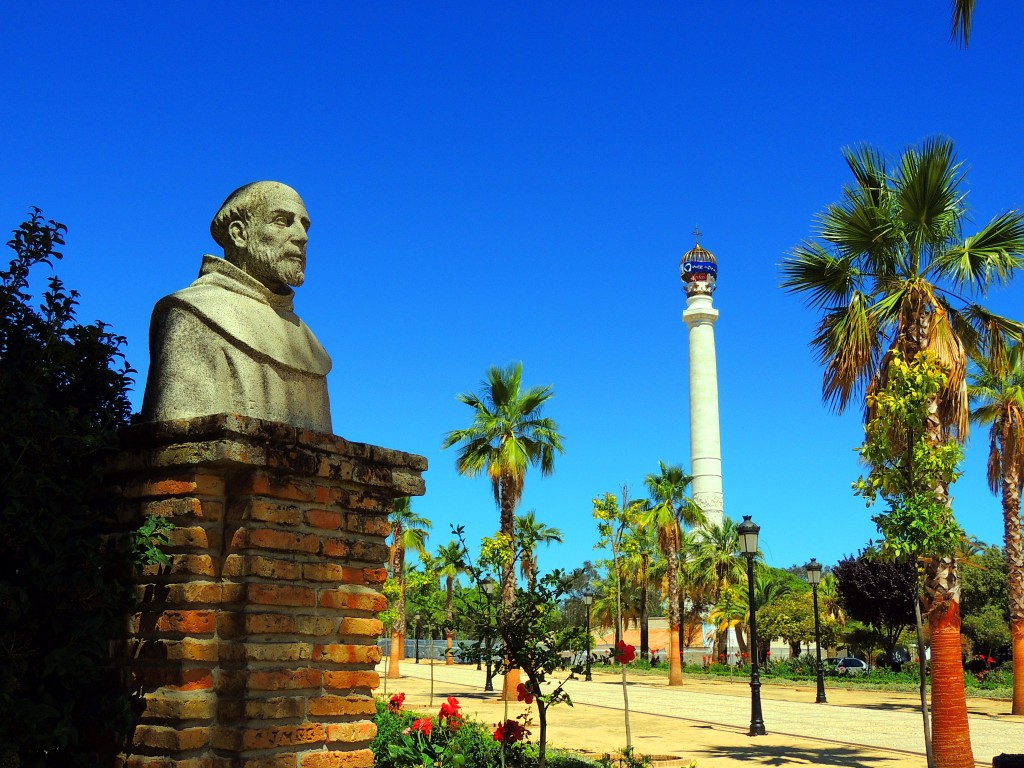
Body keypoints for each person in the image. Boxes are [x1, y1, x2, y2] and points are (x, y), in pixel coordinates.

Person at [141, 181, 332, 432]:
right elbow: (177, 443)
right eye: (282, 221)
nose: (301, 236)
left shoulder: (305, 340)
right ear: (239, 234)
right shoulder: (194, 312)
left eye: (304, 225)